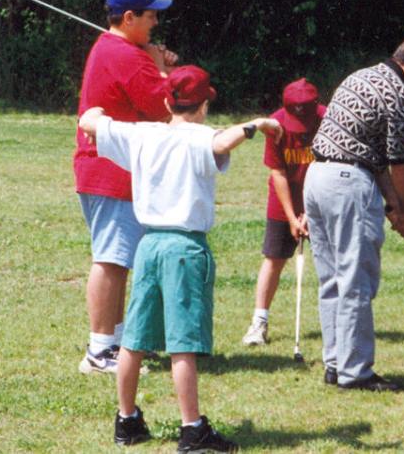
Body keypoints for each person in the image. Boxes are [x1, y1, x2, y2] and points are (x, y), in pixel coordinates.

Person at [78, 65, 281, 452]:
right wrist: (257, 124)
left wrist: (102, 115)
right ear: (204, 105)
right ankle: (192, 430)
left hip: (148, 244)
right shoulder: (202, 136)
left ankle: (127, 421)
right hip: (185, 248)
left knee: (134, 339)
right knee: (183, 343)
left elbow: (89, 120)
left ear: (167, 101)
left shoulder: (141, 134)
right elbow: (222, 144)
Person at [305, 31, 404, 392]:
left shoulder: (362, 76)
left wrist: (392, 205)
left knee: (332, 279)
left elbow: (373, 156)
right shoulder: (399, 95)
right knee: (356, 281)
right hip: (346, 183)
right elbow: (401, 165)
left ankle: (336, 363)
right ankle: (356, 373)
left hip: (317, 178)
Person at [75, 0, 178, 374]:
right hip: (110, 169)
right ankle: (100, 351)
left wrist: (153, 61)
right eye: (150, 14)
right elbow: (165, 107)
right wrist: (161, 68)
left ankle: (114, 343)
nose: (156, 21)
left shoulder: (117, 49)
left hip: (110, 167)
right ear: (129, 18)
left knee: (117, 259)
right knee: (112, 259)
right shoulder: (124, 55)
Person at [242, 78, 327, 345]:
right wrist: (292, 217)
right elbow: (277, 172)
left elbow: (331, 168)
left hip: (322, 197)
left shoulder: (330, 120)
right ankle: (259, 322)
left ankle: (337, 322)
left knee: (331, 259)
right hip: (284, 200)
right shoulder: (276, 125)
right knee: (274, 258)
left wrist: (312, 212)